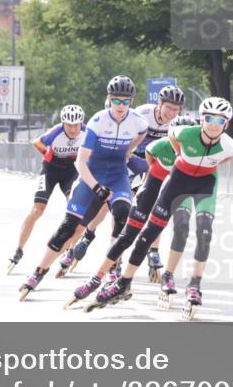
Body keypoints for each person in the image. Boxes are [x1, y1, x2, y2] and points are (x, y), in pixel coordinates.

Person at [82, 97, 233, 321]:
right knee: (148, 234)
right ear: (201, 119)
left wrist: (207, 166)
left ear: (227, 123)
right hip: (178, 179)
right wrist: (181, 157)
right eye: (209, 118)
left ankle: (195, 284)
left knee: (205, 231)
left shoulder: (231, 146)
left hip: (205, 184)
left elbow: (224, 159)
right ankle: (124, 282)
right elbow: (171, 140)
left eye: (220, 120)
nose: (214, 124)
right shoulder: (184, 133)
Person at [18, 76, 148, 301]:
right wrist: (96, 187)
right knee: (68, 228)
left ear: (132, 102)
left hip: (118, 175)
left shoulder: (137, 121)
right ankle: (38, 272)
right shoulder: (98, 121)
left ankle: (113, 269)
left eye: (125, 102)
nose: (120, 106)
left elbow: (143, 133)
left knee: (121, 215)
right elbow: (80, 162)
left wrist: (129, 150)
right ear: (108, 99)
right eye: (116, 101)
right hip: (92, 174)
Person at [63, 114, 197, 309]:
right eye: (177, 138)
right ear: (170, 136)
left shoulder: (197, 156)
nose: (181, 144)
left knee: (180, 229)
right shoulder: (157, 147)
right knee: (126, 234)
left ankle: (166, 275)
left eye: (186, 139)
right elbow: (144, 167)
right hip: (150, 192)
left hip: (176, 195)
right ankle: (99, 276)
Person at [64, 84, 186, 278]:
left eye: (175, 109)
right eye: (168, 107)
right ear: (159, 103)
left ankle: (153, 252)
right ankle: (88, 234)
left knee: (155, 204)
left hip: (154, 163)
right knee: (109, 206)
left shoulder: (177, 124)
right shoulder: (142, 114)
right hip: (131, 159)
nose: (171, 113)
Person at [6, 105, 86, 274]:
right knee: (37, 210)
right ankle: (19, 249)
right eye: (69, 125)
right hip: (51, 169)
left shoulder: (87, 132)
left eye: (76, 125)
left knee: (75, 210)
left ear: (81, 123)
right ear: (63, 123)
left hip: (71, 171)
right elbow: (37, 142)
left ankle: (69, 251)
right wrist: (47, 154)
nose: (72, 129)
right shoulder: (56, 132)